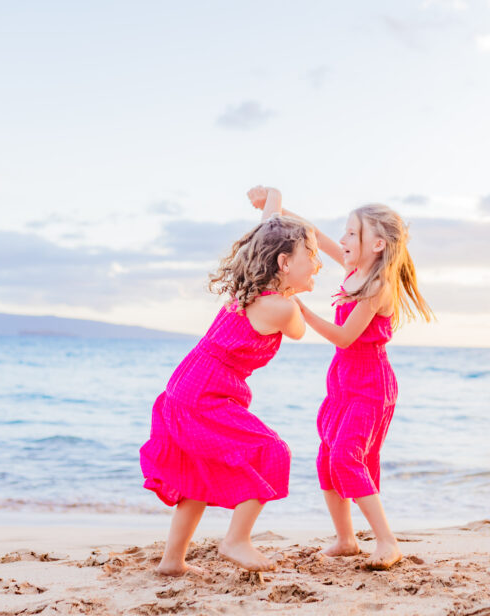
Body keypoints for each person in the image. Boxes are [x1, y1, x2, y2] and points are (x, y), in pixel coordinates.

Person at [248, 187, 433, 569]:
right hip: (342, 382)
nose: (344, 240)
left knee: (349, 457)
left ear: (377, 244)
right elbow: (311, 234)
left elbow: (345, 337)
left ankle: (387, 542)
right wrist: (276, 206)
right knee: (327, 458)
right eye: (345, 233)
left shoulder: (377, 286)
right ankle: (346, 540)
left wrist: (299, 308)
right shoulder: (353, 268)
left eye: (352, 233)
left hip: (371, 384)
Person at [140, 187, 321, 576]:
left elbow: (267, 230)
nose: (319, 264)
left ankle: (172, 562)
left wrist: (273, 197)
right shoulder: (281, 307)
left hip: (187, 386)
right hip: (205, 395)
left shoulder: (250, 287)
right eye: (313, 256)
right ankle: (236, 539)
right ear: (285, 262)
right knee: (273, 451)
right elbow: (300, 331)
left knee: (196, 473)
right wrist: (298, 298)